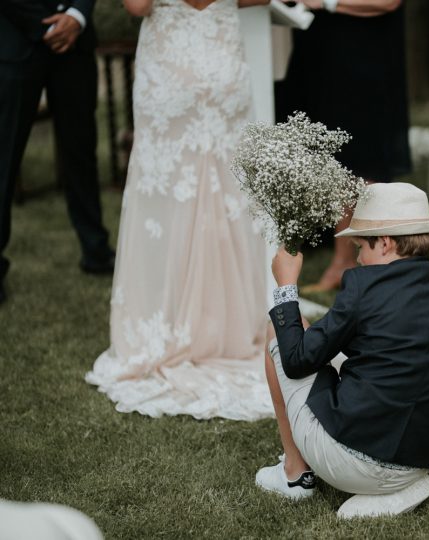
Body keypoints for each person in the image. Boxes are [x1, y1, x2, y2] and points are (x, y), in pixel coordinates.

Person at [86, 0, 273, 420]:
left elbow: (137, 6)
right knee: (228, 198)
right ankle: (228, 331)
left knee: (167, 199)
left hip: (170, 69)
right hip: (225, 63)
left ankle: (170, 325)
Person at [256, 183, 429, 518]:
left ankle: (295, 474)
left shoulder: (362, 286)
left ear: (386, 244)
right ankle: (414, 485)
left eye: (360, 246)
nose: (358, 258)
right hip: (415, 462)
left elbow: (298, 360)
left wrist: (286, 288)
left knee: (278, 327)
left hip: (351, 462)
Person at [276, 0, 412, 292]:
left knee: (359, 156)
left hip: (363, 52)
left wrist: (327, 2)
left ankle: (361, 264)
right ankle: (341, 261)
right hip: (319, 51)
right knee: (324, 153)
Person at [0, 0, 116, 305]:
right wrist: (45, 25)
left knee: (81, 151)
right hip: (15, 40)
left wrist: (77, 16)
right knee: (5, 157)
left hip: (76, 43)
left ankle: (96, 249)